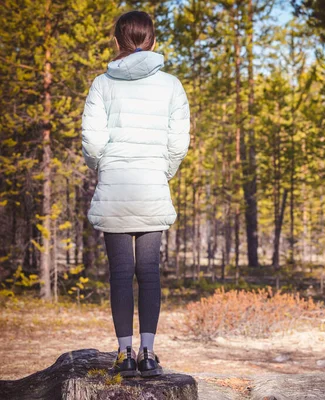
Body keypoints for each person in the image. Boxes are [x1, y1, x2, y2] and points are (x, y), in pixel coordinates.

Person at [81, 10, 190, 378]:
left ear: (116, 42)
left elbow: (92, 141)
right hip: (151, 184)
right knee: (149, 272)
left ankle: (124, 354)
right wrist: (162, 171)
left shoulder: (102, 84)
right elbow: (178, 143)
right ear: (153, 41)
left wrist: (105, 168)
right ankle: (148, 354)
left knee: (120, 273)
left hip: (116, 183)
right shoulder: (172, 85)